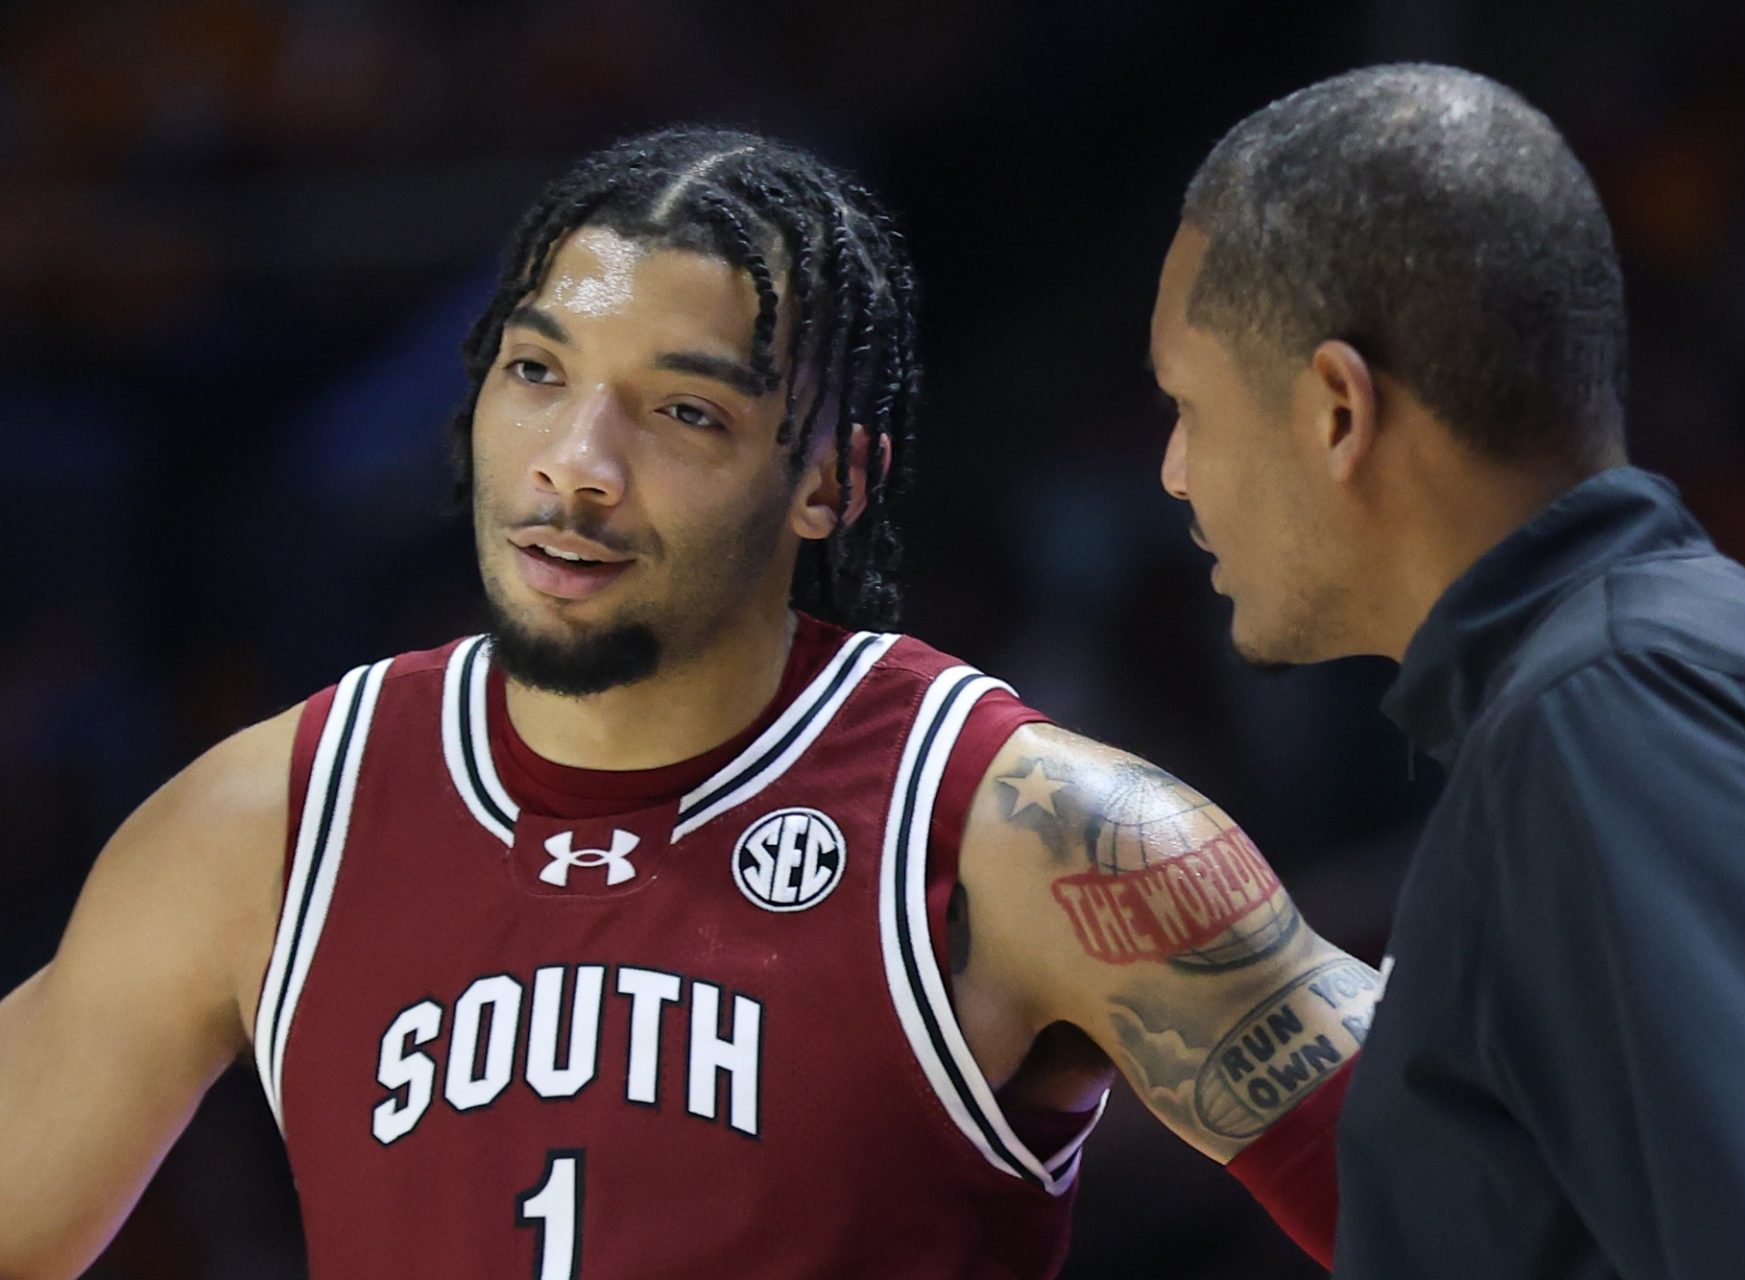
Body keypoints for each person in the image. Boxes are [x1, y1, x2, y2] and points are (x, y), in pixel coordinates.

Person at [0, 127, 1374, 1280]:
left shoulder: (1036, 832)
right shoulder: (270, 819)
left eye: (684, 415)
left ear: (834, 480)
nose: (579, 466)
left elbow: (1515, 1218)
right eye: (538, 375)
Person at [1150, 61, 1745, 1279]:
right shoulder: (1626, 685)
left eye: (1188, 406)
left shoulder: (1612, 717)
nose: (1174, 472)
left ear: (1337, 409)